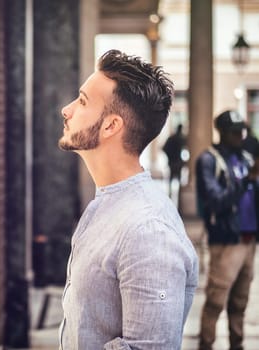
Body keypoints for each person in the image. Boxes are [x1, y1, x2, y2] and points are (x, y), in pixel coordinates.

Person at [57, 49, 199, 349]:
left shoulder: (148, 232)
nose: (66, 110)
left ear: (111, 126)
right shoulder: (108, 204)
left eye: (82, 101)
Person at [196, 110, 258, 350]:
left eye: (242, 131)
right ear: (222, 133)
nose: (240, 137)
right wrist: (247, 180)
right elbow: (215, 201)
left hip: (249, 240)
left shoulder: (245, 158)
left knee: (240, 302)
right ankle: (206, 344)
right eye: (234, 132)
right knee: (216, 300)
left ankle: (237, 344)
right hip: (226, 241)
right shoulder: (209, 160)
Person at [163, 124, 187, 198]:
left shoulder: (172, 138)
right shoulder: (182, 139)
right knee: (176, 179)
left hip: (174, 162)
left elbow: (164, 148)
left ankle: (172, 196)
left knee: (173, 179)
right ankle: (176, 197)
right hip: (177, 162)